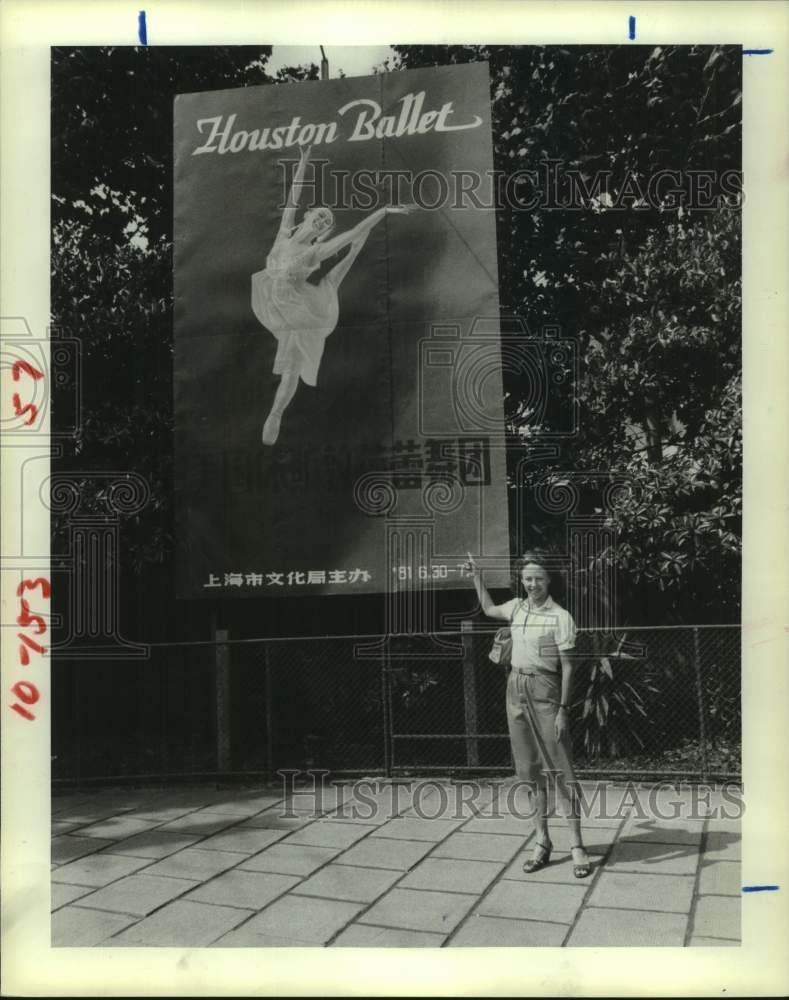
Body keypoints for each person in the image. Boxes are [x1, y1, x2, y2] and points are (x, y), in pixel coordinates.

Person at [251, 144, 415, 445]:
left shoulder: (315, 251)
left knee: (294, 363)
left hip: (295, 306)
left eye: (327, 223)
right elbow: (293, 196)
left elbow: (351, 234)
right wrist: (304, 161)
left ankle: (275, 413)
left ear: (323, 233)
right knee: (292, 350)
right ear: (309, 214)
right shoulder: (285, 232)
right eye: (321, 215)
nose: (324, 221)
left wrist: (383, 211)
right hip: (271, 297)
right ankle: (276, 407)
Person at [465, 550, 592, 878]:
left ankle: (577, 845)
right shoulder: (517, 608)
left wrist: (564, 710)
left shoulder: (560, 617)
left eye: (538, 578)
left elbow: (567, 668)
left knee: (561, 768)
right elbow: (490, 608)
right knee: (529, 771)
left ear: (550, 580)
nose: (532, 584)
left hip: (546, 692)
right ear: (521, 581)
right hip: (515, 689)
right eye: (527, 578)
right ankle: (542, 841)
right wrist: (476, 577)